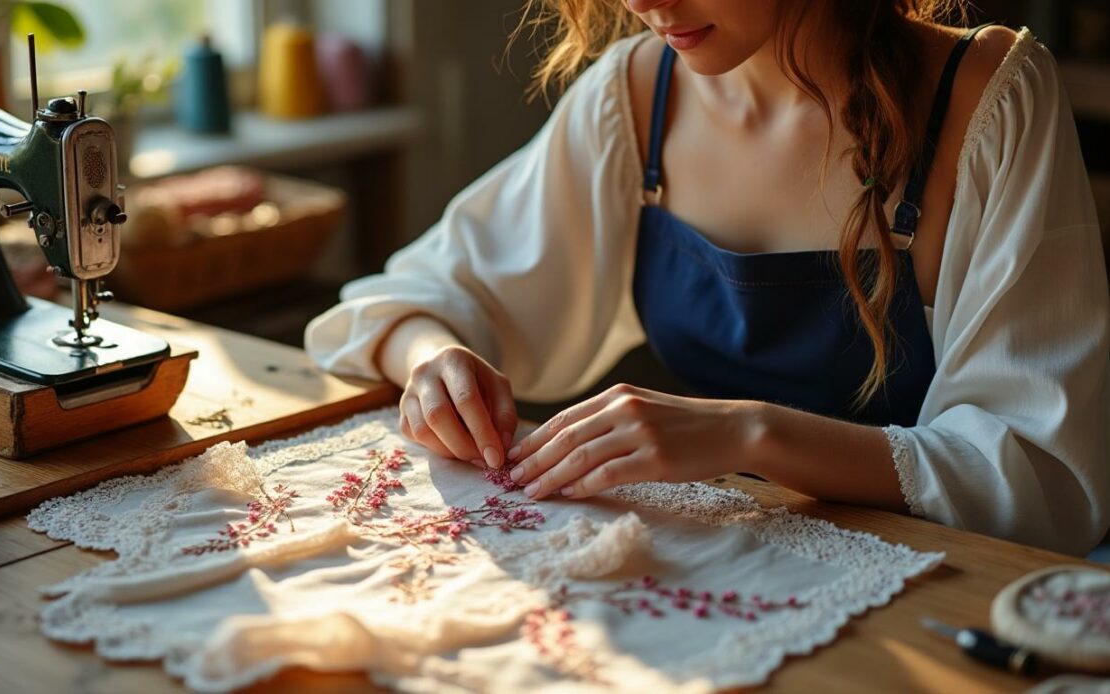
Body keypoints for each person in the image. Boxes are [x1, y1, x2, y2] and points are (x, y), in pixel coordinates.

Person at [306, 0, 1110, 556]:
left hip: (941, 601)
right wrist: (431, 362)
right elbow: (417, 295)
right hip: (728, 571)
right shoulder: (637, 94)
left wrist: (749, 432)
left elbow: (1043, 473)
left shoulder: (987, 98)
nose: (646, 2)